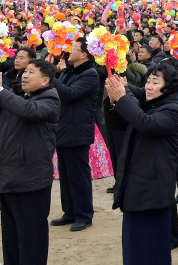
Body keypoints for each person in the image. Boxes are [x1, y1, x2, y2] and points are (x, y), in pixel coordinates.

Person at [0, 59, 60, 265]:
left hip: (31, 180)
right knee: (12, 237)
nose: (25, 75)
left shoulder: (50, 99)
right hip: (10, 176)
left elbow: (27, 111)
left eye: (32, 72)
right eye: (25, 71)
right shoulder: (18, 96)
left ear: (45, 80)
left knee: (31, 239)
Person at [105, 61, 178, 265]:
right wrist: (113, 101)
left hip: (153, 188)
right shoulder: (150, 102)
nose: (148, 86)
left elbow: (145, 124)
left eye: (155, 82)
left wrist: (122, 98)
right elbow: (117, 124)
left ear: (168, 87)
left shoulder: (173, 108)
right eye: (148, 81)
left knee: (151, 248)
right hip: (136, 185)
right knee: (134, 248)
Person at [50, 38, 101, 232]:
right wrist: (58, 74)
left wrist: (51, 75)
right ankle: (69, 211)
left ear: (84, 55)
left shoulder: (90, 74)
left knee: (78, 175)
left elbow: (69, 93)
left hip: (77, 129)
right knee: (66, 174)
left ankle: (83, 215)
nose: (70, 51)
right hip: (63, 127)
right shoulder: (70, 71)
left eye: (74, 49)